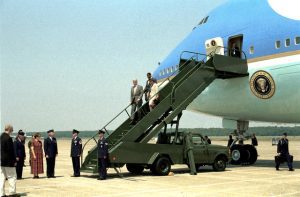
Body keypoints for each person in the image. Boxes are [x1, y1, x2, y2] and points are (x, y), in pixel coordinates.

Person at [1, 124, 19, 197]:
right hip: (8, 161)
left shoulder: (1, 137)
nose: (12, 130)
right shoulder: (8, 138)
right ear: (9, 129)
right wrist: (14, 161)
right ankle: (12, 192)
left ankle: (1, 194)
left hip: (1, 161)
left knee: (2, 178)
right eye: (12, 129)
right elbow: (10, 151)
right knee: (12, 176)